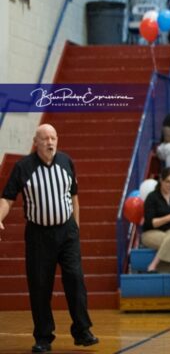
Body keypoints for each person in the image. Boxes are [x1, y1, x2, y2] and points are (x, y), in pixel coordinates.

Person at [0, 124, 98, 352]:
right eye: (45, 138)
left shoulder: (66, 162)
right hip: (38, 235)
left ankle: (82, 331)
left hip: (67, 232)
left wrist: (76, 228)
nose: (50, 142)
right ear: (36, 142)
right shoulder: (23, 167)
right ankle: (43, 337)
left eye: (53, 137)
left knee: (75, 280)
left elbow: (74, 197)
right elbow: (7, 199)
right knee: (40, 286)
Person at [142, 168, 170, 273]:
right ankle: (158, 266)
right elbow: (151, 223)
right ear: (161, 180)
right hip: (151, 233)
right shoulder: (152, 197)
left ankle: (155, 266)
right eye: (168, 182)